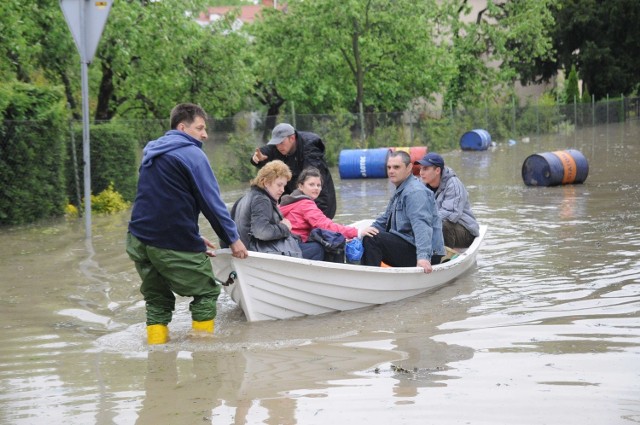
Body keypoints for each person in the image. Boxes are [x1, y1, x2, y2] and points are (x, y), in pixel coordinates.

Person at [126, 103, 248, 345]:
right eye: (200, 128)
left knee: (157, 298)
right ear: (182, 127)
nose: (205, 135)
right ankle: (203, 352)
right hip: (169, 240)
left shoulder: (150, 151)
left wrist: (191, 236)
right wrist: (234, 240)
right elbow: (212, 203)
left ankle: (158, 355)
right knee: (206, 291)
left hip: (138, 238)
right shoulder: (192, 154)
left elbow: (159, 200)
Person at [360, 151, 445, 273]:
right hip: (408, 244)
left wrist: (423, 258)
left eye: (396, 167)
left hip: (426, 254)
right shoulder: (401, 189)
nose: (391, 171)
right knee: (368, 235)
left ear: (409, 168)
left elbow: (422, 225)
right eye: (389, 167)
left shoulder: (415, 192)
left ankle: (370, 279)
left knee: (373, 239)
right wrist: (360, 235)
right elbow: (384, 219)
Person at [279, 167, 376, 260]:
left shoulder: (291, 201)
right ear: (301, 186)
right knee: (320, 249)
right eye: (311, 184)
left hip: (284, 244)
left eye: (318, 185)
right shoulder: (305, 204)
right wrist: (357, 232)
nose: (316, 188)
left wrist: (341, 237)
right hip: (293, 245)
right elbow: (325, 226)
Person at [251, 123, 337, 219]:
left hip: (321, 200)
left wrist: (319, 217)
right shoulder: (278, 147)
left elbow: (315, 184)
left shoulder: (310, 148)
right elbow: (266, 150)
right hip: (295, 197)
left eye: (281, 143)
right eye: (276, 143)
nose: (278, 147)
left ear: (292, 138)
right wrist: (257, 158)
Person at [232, 160, 302, 258]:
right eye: (279, 185)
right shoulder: (262, 199)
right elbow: (262, 232)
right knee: (317, 249)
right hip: (258, 255)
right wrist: (285, 228)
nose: (282, 190)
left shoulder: (242, 199)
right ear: (265, 182)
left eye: (284, 186)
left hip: (246, 252)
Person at [415, 152, 480, 248]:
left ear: (437, 170)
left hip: (465, 232)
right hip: (434, 225)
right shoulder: (421, 185)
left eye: (425, 169)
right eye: (420, 169)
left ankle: (444, 257)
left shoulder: (453, 184)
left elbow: (451, 215)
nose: (421, 173)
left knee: (443, 225)